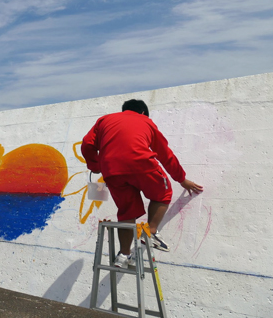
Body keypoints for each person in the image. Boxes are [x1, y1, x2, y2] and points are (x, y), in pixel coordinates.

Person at [81, 99, 203, 268]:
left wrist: (95, 166)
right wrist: (182, 179)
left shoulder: (104, 120)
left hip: (112, 170)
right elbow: (165, 154)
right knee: (163, 192)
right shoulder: (146, 121)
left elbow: (87, 144)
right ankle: (150, 233)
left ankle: (123, 256)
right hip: (141, 163)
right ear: (143, 112)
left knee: (126, 211)